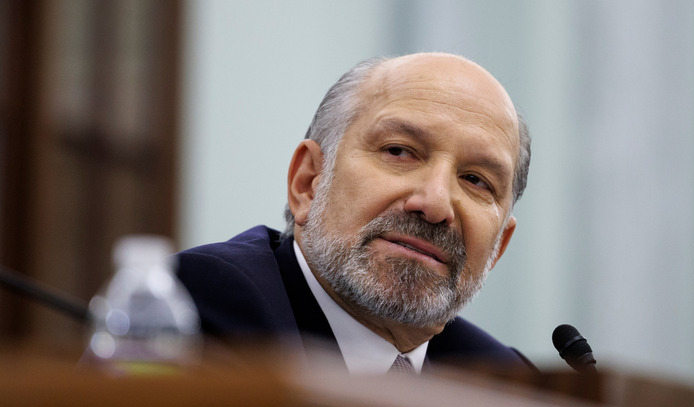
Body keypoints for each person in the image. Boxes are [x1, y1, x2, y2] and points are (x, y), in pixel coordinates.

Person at [176, 52, 535, 375]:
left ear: (497, 249)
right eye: (399, 152)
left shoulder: (504, 381)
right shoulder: (198, 308)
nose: (436, 204)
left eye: (475, 180)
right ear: (309, 182)